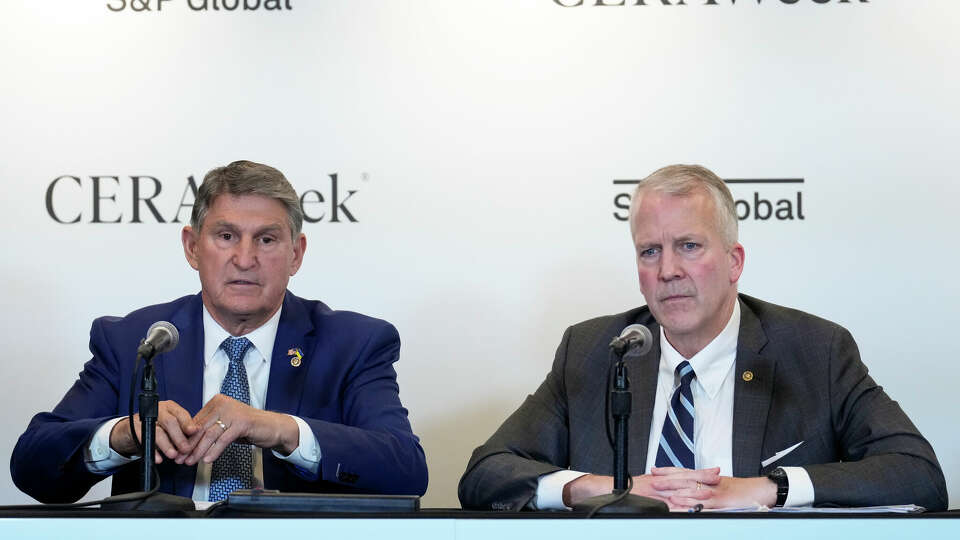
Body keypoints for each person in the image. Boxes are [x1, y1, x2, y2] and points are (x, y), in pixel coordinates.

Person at [458, 164, 946, 512]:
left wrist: (764, 489)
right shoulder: (595, 352)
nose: (668, 270)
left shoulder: (814, 350)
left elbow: (916, 473)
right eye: (650, 251)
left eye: (689, 246)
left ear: (734, 261)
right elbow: (486, 473)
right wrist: (607, 489)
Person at [11, 160, 428, 504]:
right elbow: (32, 464)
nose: (244, 259)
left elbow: (407, 471)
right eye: (226, 236)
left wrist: (280, 428)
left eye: (266, 239)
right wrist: (124, 434)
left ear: (296, 253)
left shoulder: (353, 344)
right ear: (193, 247)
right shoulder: (137, 342)